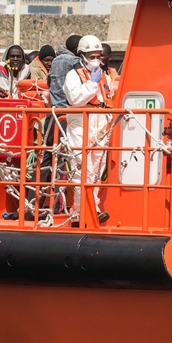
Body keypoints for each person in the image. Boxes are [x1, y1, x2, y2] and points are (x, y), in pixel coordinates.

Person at [63, 35, 114, 224]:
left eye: (98, 56)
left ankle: (93, 207)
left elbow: (108, 98)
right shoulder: (73, 76)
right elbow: (75, 99)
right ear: (82, 55)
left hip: (100, 126)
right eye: (92, 56)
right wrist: (92, 83)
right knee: (82, 169)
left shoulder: (104, 75)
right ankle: (80, 211)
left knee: (97, 172)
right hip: (80, 126)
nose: (96, 60)